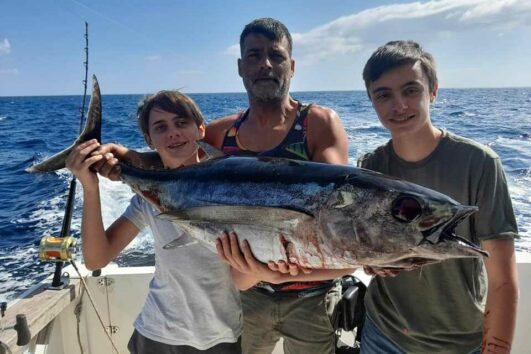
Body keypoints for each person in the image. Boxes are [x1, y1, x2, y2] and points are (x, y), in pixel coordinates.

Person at [95, 18, 355, 354]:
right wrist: (126, 156)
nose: (265, 64)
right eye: (254, 55)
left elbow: (339, 210)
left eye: (275, 56)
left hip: (311, 295)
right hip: (247, 294)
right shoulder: (222, 132)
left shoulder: (317, 123)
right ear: (240, 67)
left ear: (291, 66)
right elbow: (179, 162)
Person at [358, 40, 519, 354]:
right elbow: (364, 250)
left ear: (433, 91)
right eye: (384, 95)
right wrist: (371, 262)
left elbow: (502, 279)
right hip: (382, 335)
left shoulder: (481, 164)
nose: (399, 105)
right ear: (372, 102)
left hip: (462, 343)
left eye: (411, 90)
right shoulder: (370, 168)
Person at [66, 91, 244, 354]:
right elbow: (96, 259)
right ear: (150, 140)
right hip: (156, 333)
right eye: (161, 127)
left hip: (221, 334)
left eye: (181, 122)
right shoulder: (149, 197)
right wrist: (90, 188)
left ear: (201, 129)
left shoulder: (234, 188)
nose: (173, 132)